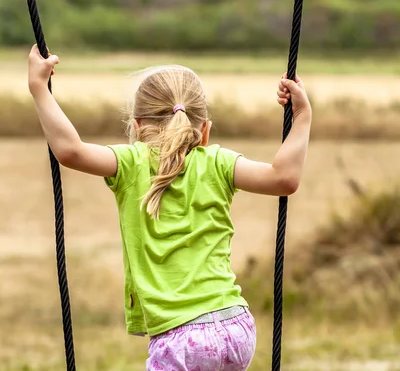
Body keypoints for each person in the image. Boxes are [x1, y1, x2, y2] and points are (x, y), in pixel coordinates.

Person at [28, 44, 312, 371]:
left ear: (136, 126)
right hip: (236, 326)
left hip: (181, 339)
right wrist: (303, 117)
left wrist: (39, 89)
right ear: (203, 129)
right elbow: (284, 178)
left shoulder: (130, 163)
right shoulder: (218, 162)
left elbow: (70, 151)